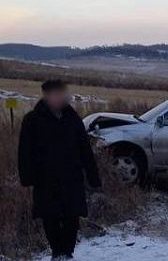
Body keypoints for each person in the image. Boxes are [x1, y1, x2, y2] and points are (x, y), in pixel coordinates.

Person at [18, 79, 101, 260]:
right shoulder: (32, 120)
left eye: (61, 94)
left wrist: (93, 177)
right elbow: (24, 152)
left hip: (71, 177)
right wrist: (27, 176)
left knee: (73, 216)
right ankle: (57, 253)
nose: (58, 98)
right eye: (54, 94)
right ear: (46, 96)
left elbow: (85, 150)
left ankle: (67, 253)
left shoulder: (73, 119)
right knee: (50, 217)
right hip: (45, 179)